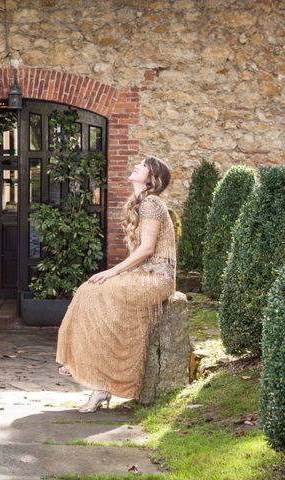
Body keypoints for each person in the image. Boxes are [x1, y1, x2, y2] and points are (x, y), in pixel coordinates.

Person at [56, 156, 175, 413]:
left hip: (156, 279)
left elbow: (146, 249)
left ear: (152, 178)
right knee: (89, 291)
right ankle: (89, 370)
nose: (136, 166)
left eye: (143, 165)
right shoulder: (139, 203)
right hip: (143, 276)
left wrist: (111, 272)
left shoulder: (152, 203)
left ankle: (97, 381)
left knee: (95, 292)